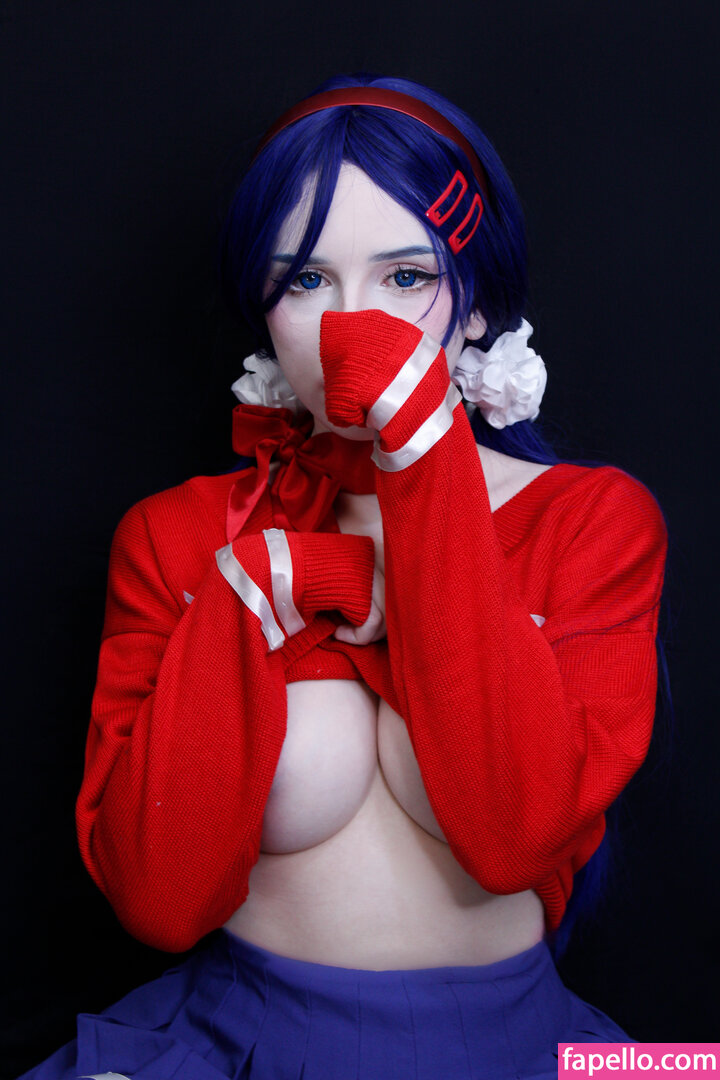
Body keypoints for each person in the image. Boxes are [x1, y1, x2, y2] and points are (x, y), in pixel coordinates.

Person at [20, 73, 668, 1080]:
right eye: (306, 281)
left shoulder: (591, 522)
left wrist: (423, 456)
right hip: (233, 1045)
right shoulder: (175, 537)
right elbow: (157, 899)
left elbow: (514, 836)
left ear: (478, 302)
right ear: (263, 311)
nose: (348, 327)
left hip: (523, 1048)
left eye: (406, 276)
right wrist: (258, 585)